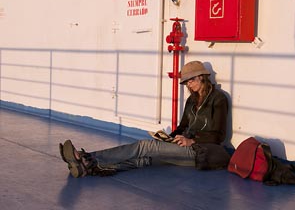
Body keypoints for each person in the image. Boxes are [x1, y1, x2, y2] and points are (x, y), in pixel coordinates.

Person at [59, 60, 229, 178]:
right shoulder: (191, 100)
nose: (189, 85)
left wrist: (191, 140)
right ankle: (89, 169)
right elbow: (183, 125)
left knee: (144, 146)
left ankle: (88, 158)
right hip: (185, 147)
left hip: (201, 152)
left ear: (201, 77)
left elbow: (218, 136)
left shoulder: (218, 99)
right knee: (144, 160)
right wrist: (170, 137)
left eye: (191, 80)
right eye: (186, 83)